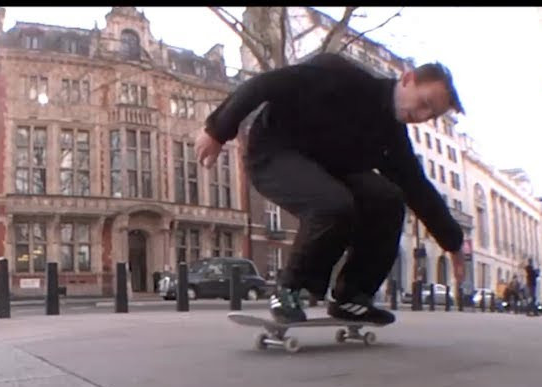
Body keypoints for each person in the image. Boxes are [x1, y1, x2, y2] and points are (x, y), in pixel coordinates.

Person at [197, 52, 467, 325]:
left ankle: (352, 296)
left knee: (389, 200)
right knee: (332, 204)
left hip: (326, 170)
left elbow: (417, 187)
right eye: (423, 103)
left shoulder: (392, 137)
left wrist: (453, 242)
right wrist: (218, 130)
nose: (420, 116)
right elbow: (264, 84)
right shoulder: (341, 77)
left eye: (430, 115)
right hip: (273, 153)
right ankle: (287, 290)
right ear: (407, 79)